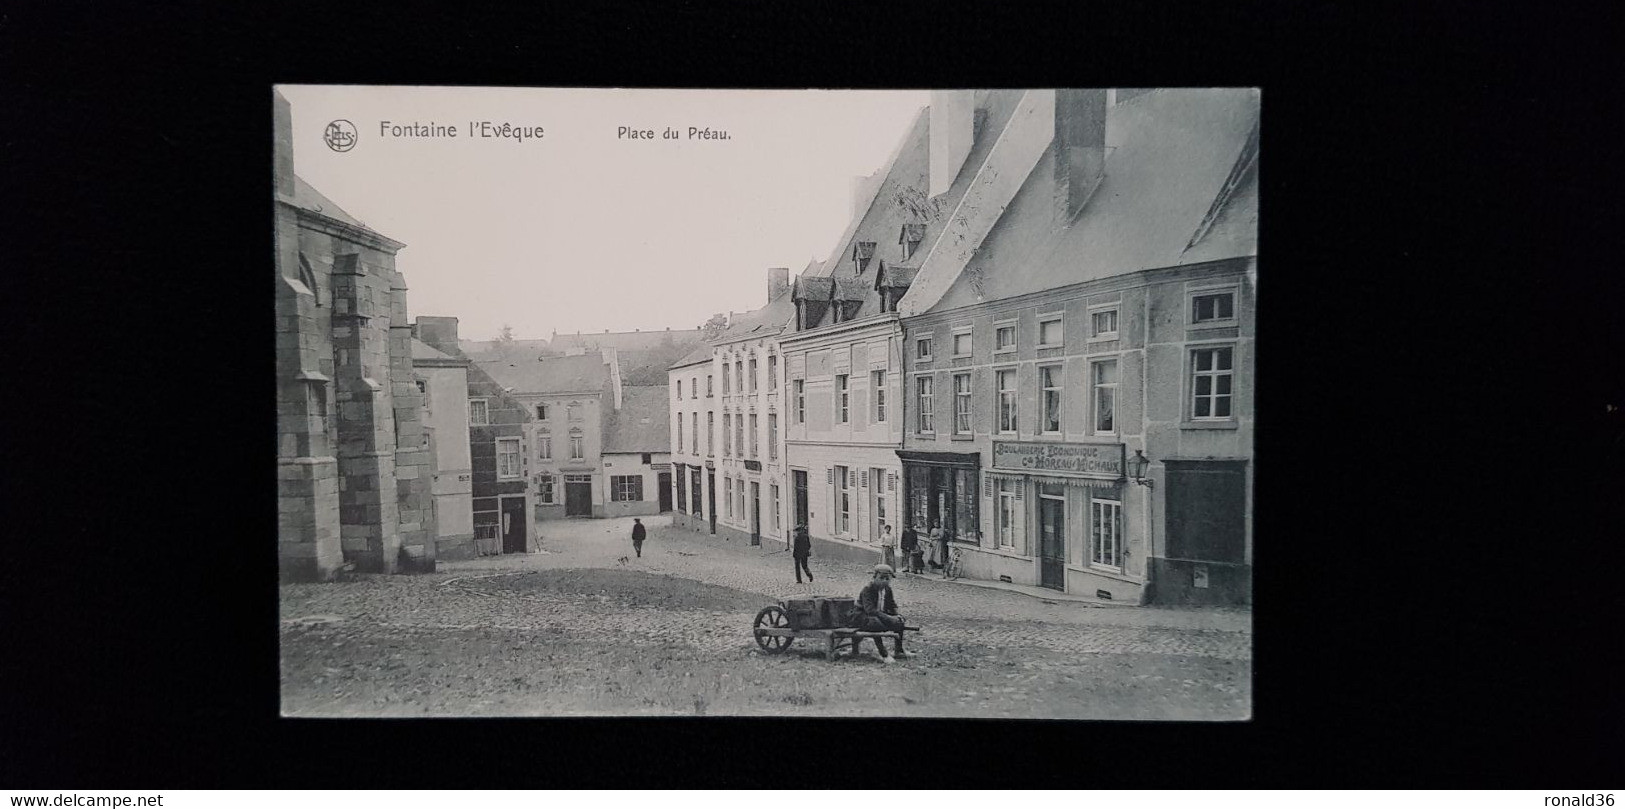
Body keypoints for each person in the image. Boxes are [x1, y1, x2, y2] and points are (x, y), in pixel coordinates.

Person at [855, 564, 912, 663]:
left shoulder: (888, 590)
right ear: (874, 577)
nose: (884, 581)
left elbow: (892, 604)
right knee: (875, 623)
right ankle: (883, 653)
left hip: (879, 616)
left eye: (887, 579)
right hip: (862, 617)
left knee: (899, 621)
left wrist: (896, 615)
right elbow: (870, 610)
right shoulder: (868, 589)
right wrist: (888, 618)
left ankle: (899, 650)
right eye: (881, 578)